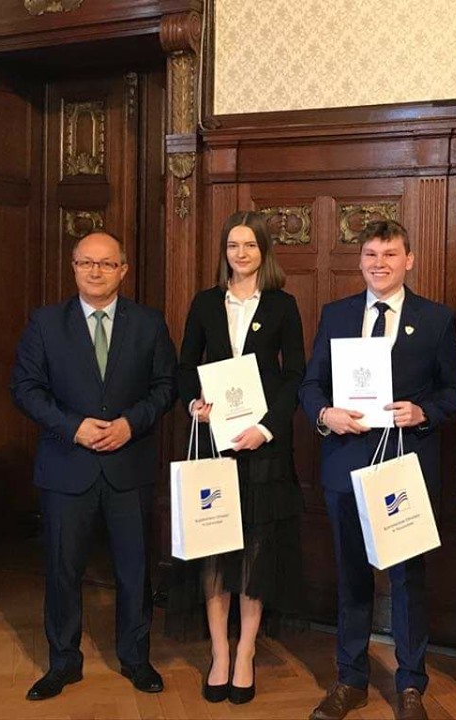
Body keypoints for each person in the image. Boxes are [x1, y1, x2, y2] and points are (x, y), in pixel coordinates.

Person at [299, 220, 456, 720]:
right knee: (351, 576)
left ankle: (411, 685)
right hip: (345, 465)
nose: (379, 263)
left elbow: (455, 391)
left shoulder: (436, 319)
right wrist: (325, 414)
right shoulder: (336, 314)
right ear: (361, 261)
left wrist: (424, 412)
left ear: (408, 260)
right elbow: (310, 385)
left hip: (403, 468)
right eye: (371, 254)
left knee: (408, 579)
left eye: (390, 254)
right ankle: (350, 679)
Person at [10, 231, 177, 700]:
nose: (95, 271)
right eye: (86, 263)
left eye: (106, 264)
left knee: (134, 570)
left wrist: (130, 424)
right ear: (73, 267)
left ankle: (136, 658)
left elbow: (166, 386)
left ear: (123, 270)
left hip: (129, 464)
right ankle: (63, 662)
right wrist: (73, 427)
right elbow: (25, 388)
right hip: (67, 466)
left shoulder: (148, 323)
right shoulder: (45, 323)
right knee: (62, 570)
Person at [173, 211, 305, 705]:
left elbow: (295, 375)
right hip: (215, 442)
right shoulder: (206, 302)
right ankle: (219, 652)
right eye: (233, 245)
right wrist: (193, 404)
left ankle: (246, 650)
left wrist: (266, 428)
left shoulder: (283, 305)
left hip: (262, 446)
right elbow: (186, 366)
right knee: (215, 547)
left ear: (263, 251)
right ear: (224, 252)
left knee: (255, 550)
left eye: (250, 245)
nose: (241, 253)